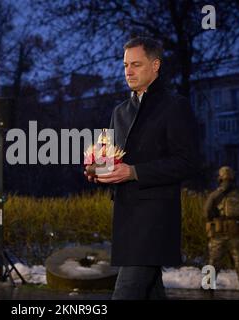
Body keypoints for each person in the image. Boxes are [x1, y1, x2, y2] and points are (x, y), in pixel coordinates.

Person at [84, 37, 201, 300]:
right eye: (125, 64)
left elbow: (188, 162)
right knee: (149, 291)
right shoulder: (120, 111)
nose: (128, 71)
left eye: (136, 64)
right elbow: (112, 159)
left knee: (126, 291)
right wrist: (97, 171)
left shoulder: (174, 106)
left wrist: (134, 171)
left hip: (156, 217)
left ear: (155, 65)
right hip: (126, 215)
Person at [204, 166, 239, 292]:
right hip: (234, 231)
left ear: (220, 177)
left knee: (213, 259)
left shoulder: (215, 194)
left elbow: (206, 212)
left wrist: (214, 218)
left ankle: (207, 284)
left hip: (218, 232)